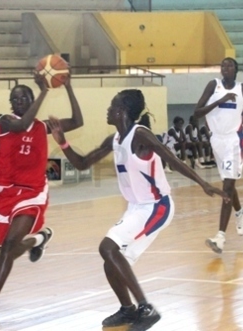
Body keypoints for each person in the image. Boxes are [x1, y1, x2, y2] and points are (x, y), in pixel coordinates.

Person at [45, 89, 227, 331]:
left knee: (107, 248)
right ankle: (128, 309)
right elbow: (82, 164)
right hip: (136, 208)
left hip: (156, 207)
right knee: (111, 260)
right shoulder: (115, 140)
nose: (107, 110)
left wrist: (203, 183)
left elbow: (172, 159)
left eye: (111, 106)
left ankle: (145, 308)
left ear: (121, 111)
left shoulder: (140, 135)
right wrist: (62, 141)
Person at [0, 75, 83, 328]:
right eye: (15, 99)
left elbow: (77, 121)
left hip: (32, 192)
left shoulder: (43, 127)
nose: (19, 102)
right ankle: (40, 238)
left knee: (9, 246)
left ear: (31, 100)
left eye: (24, 98)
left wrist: (68, 86)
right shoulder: (5, 122)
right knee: (6, 252)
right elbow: (22, 124)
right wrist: (44, 91)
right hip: (5, 194)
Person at [194, 57, 243, 254]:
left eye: (229, 64)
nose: (225, 67)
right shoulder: (213, 86)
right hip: (217, 140)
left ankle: (220, 237)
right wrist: (220, 101)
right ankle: (240, 211)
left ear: (236, 69)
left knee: (228, 186)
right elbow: (197, 112)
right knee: (228, 184)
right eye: (222, 64)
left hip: (234, 140)